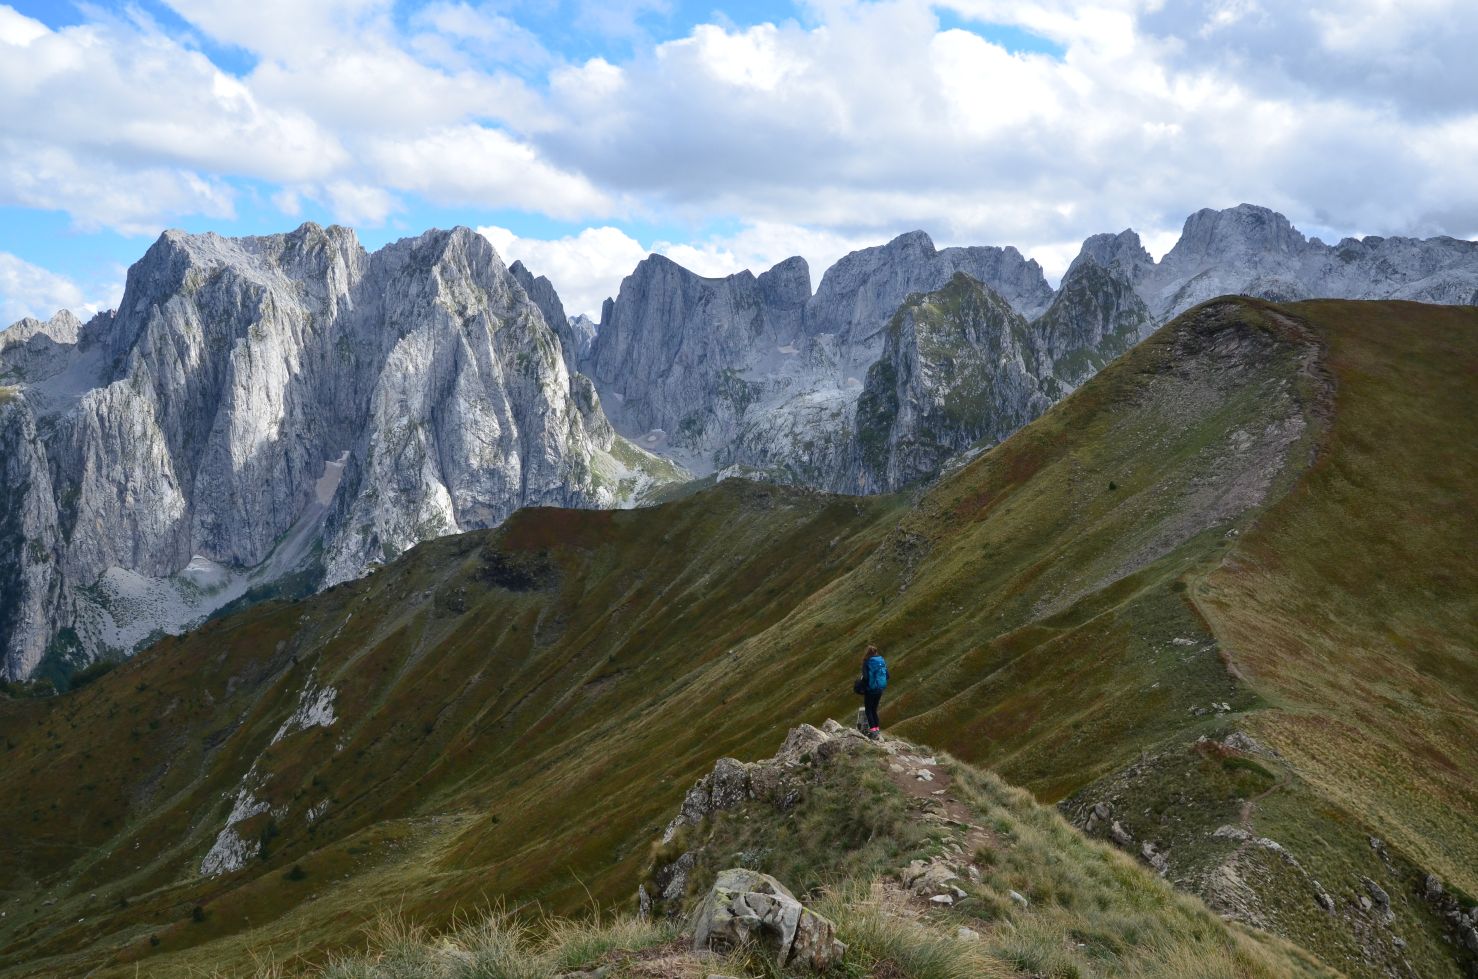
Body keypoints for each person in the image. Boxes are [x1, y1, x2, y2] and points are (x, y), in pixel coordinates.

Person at [858, 644, 887, 740]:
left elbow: (866, 677)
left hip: (870, 689)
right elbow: (887, 675)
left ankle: (873, 731)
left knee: (868, 710)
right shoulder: (881, 661)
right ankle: (877, 729)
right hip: (879, 689)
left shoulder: (867, 662)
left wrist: (861, 683)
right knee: (874, 709)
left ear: (867, 652)